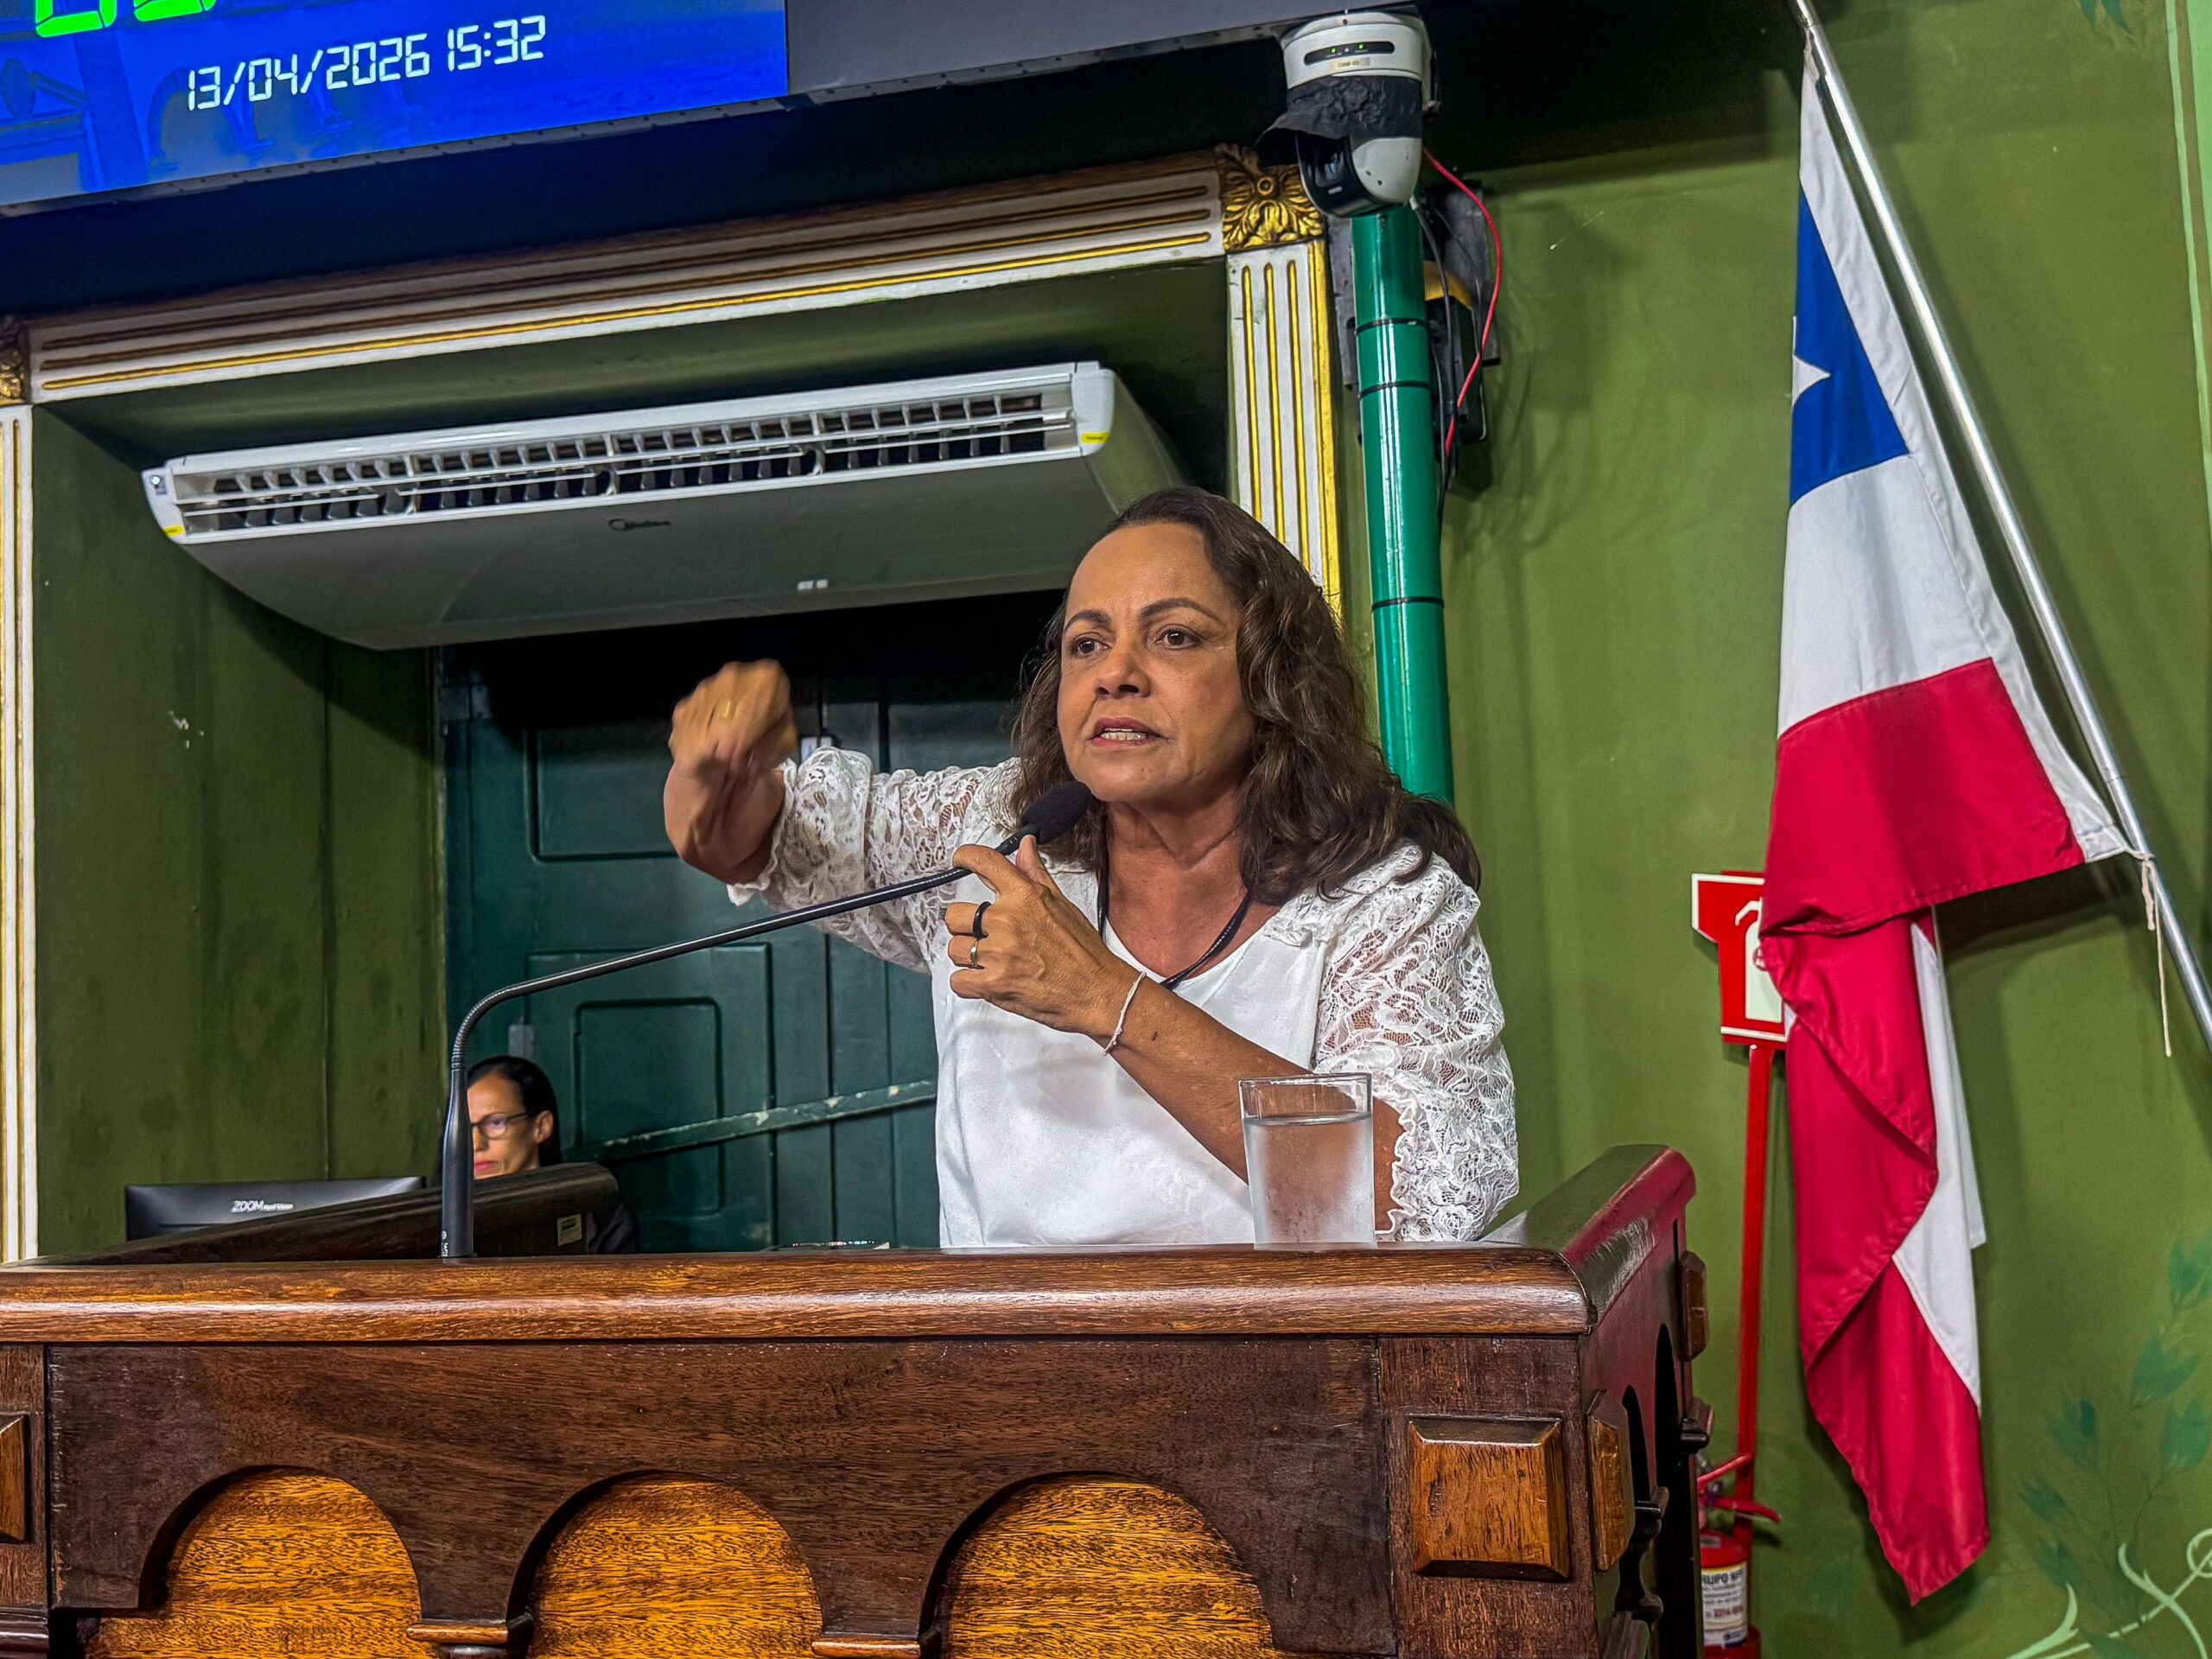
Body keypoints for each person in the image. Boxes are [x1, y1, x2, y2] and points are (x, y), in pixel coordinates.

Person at [662, 485, 1516, 1247]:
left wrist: (1104, 997)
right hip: (1008, 1393)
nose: (1115, 674)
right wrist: (715, 776)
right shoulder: (990, 829)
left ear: (1270, 679)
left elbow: (1421, 1205)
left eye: (1175, 637)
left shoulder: (1381, 903)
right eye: (1085, 643)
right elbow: (752, 839)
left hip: (1275, 1395)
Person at [466, 1054, 640, 1254]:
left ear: (541, 1127)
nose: (476, 1144)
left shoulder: (598, 1215)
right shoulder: (450, 1220)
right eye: (464, 1128)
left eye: (496, 1123)